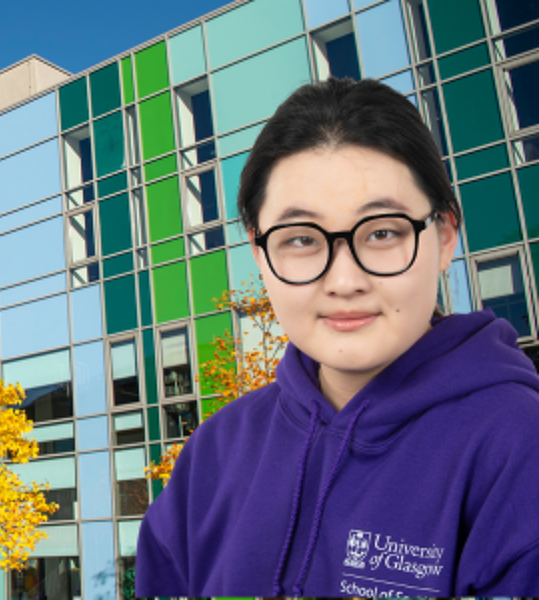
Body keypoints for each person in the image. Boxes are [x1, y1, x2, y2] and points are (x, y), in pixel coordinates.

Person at [135, 77, 539, 597]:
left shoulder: (516, 445)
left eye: (383, 232)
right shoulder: (215, 452)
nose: (344, 281)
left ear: (443, 238)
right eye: (301, 239)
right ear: (262, 256)